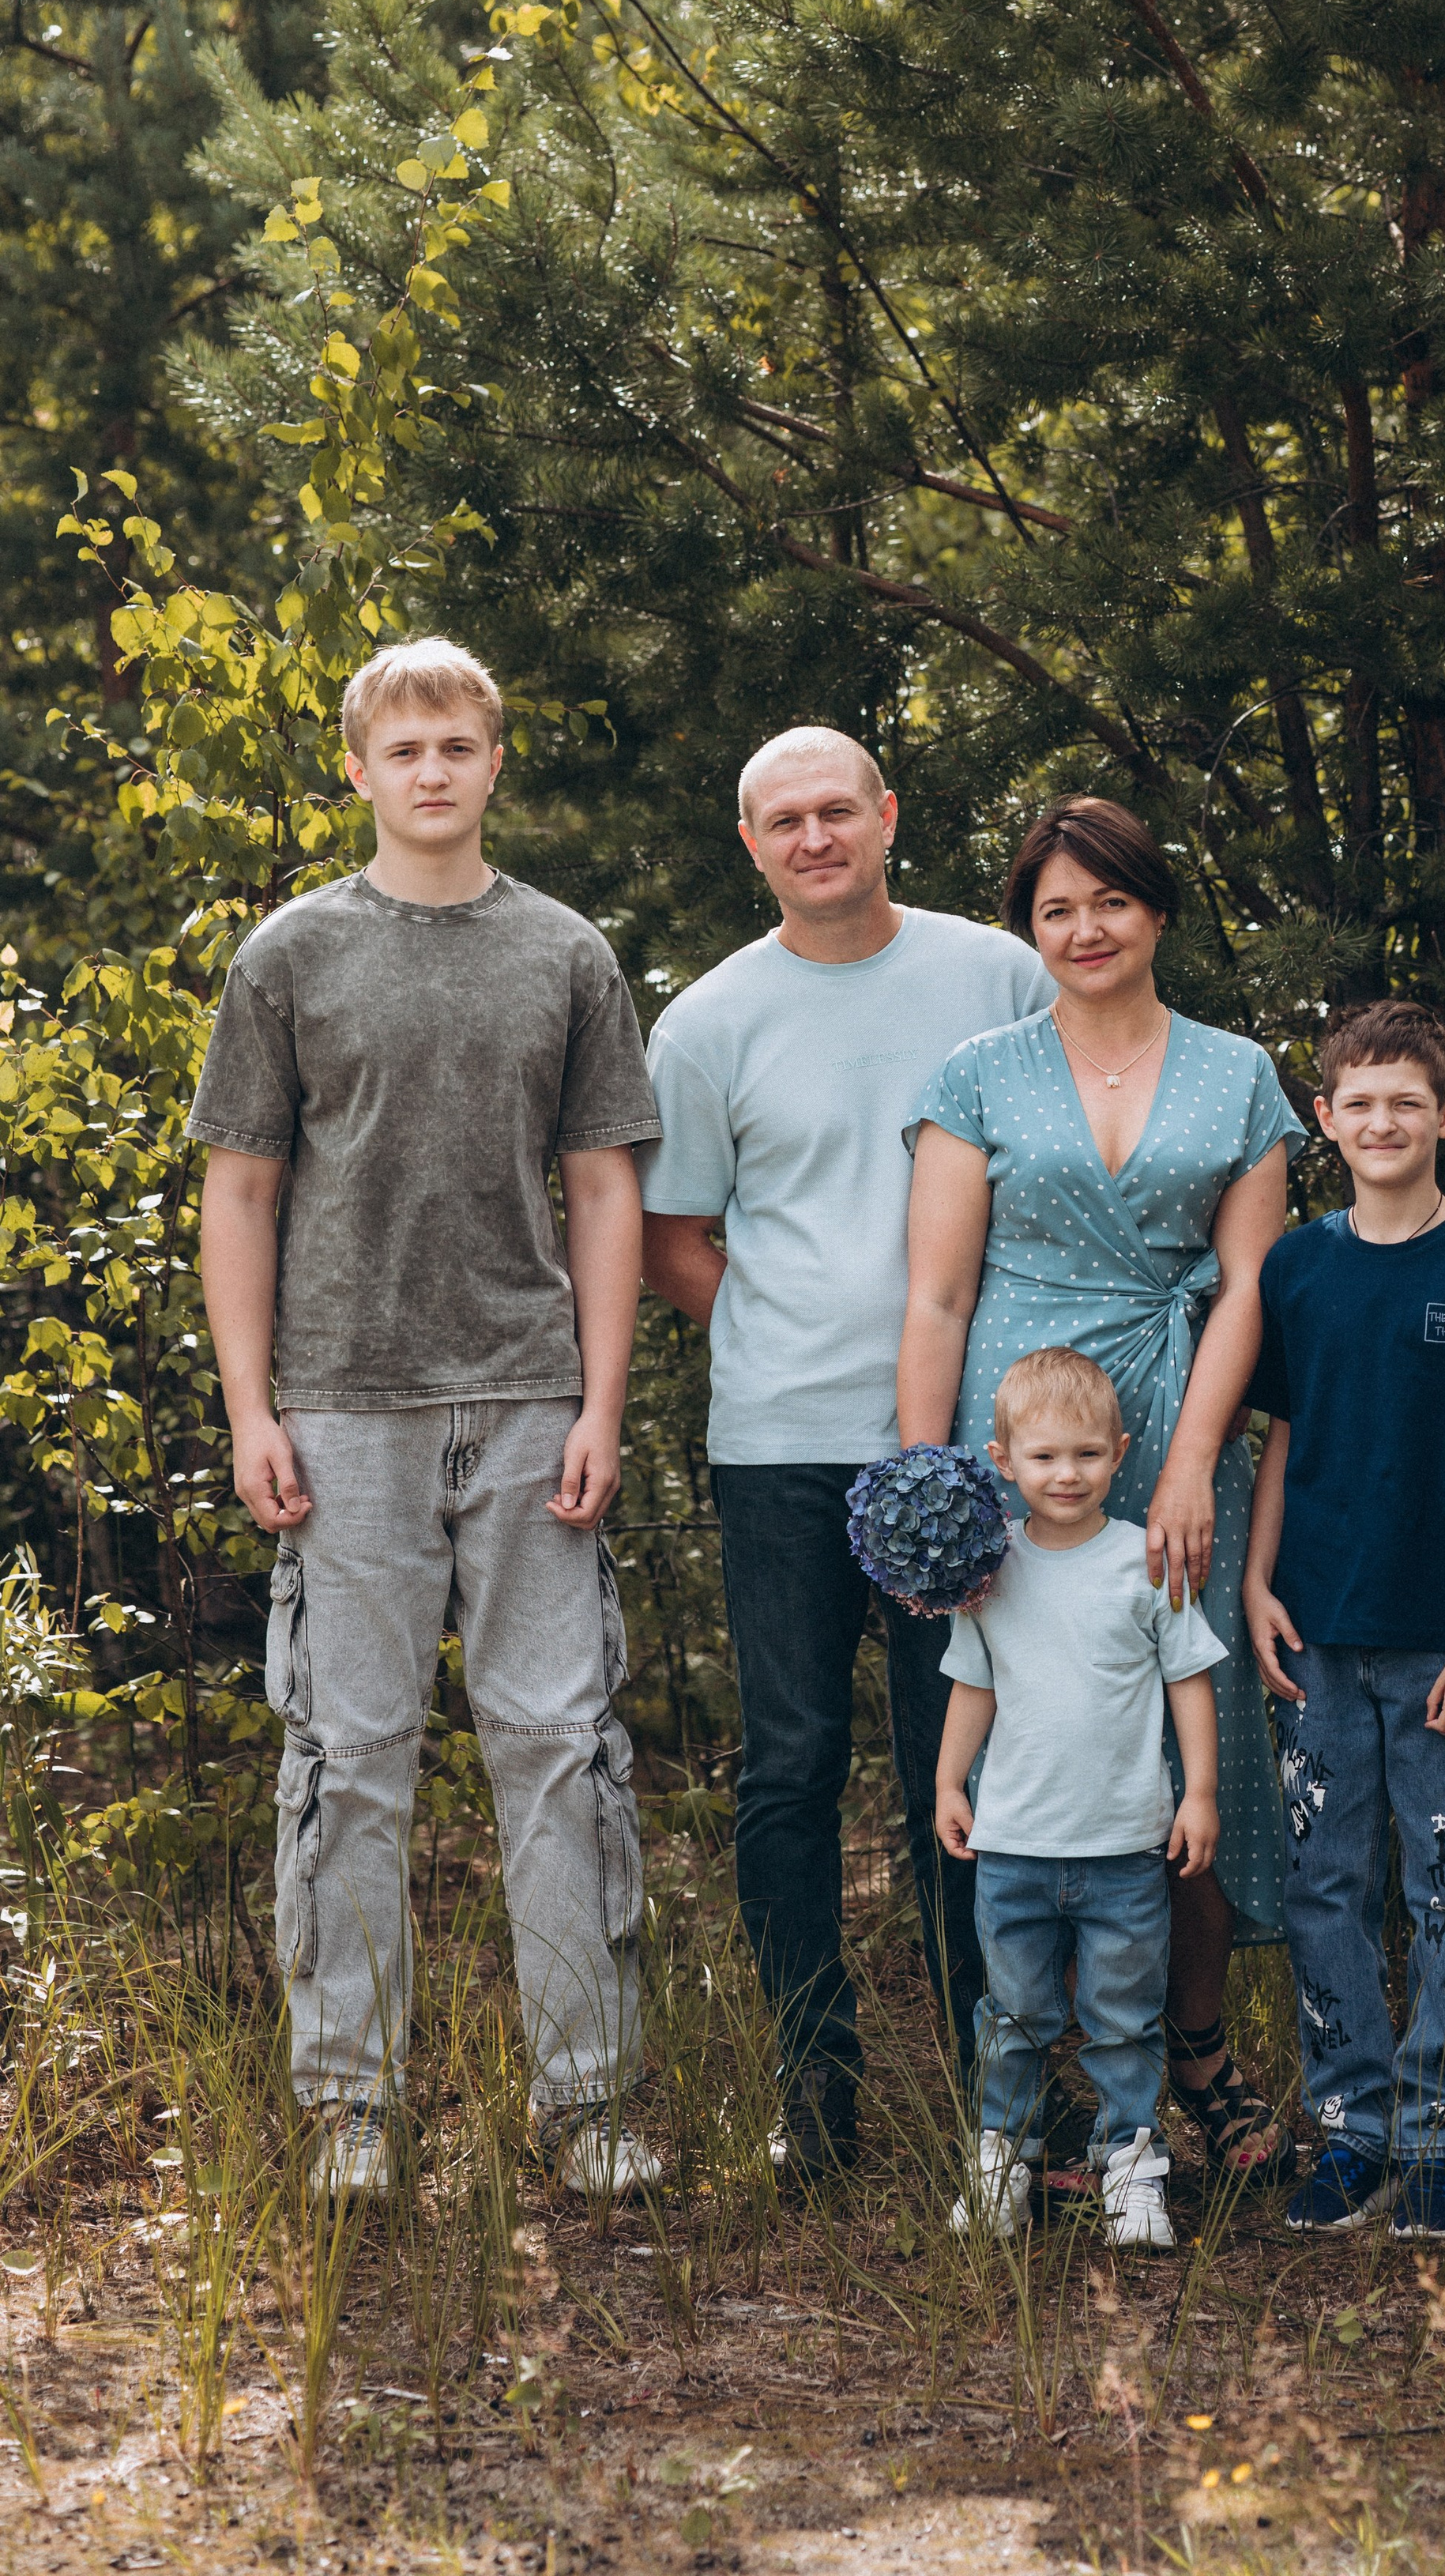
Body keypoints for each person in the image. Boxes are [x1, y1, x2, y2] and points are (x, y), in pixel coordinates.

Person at [192, 638, 664, 2205]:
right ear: (359, 769)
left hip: (531, 1401)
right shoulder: (290, 957)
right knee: (351, 1755)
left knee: (555, 1745)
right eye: (405, 750)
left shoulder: (564, 955)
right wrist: (252, 1407)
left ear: (493, 758)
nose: (433, 772)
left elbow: (603, 1187)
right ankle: (352, 2108)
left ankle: (587, 2102)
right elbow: (242, 1191)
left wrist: (603, 1396)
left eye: (458, 745)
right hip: (342, 1411)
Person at [638, 726, 1053, 2179]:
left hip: (968, 1449)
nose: (813, 838)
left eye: (836, 812)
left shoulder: (996, 977)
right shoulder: (704, 1023)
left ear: (886, 818)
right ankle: (813, 2089)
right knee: (794, 1764)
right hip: (783, 1448)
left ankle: (999, 2088)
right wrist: (773, 1322)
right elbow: (670, 1237)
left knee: (971, 1759)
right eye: (781, 821)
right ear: (749, 846)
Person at [899, 796, 1304, 2185]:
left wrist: (1195, 1459)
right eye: (1056, 908)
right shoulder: (979, 1074)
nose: (1084, 930)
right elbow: (940, 1287)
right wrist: (928, 1482)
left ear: (1158, 913)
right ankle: (1048, 2089)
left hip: (1182, 1414)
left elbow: (1254, 1280)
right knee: (1032, 1725)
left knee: (1191, 1739)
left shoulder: (1241, 1074)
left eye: (1110, 902)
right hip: (1021, 1428)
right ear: (1031, 926)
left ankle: (1194, 2052)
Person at [1244, 1003, 1445, 2243]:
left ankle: (1433, 2136)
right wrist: (1255, 1584)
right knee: (1325, 1887)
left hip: (1439, 1644)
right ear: (1325, 1121)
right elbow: (1283, 1438)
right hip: (1314, 1629)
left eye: (1405, 1103)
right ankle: (1352, 2128)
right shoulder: (1297, 1268)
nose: (1381, 1122)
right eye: (1357, 1103)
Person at [935, 1349, 1225, 2250]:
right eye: (1046, 1457)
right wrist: (949, 1779)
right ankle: (1001, 2166)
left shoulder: (1142, 1561)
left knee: (1124, 2023)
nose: (1067, 1475)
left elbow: (1187, 1680)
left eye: (1089, 1456)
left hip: (1124, 1852)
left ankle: (1132, 2173)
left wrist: (1201, 1792)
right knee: (1013, 2018)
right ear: (1001, 1460)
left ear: (1121, 1452)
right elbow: (973, 1685)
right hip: (1014, 1849)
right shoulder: (990, 1571)